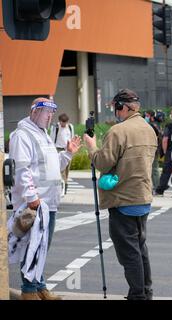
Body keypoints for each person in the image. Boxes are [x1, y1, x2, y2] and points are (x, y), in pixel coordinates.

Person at [83, 89, 157, 300]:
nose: (115, 113)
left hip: (123, 199)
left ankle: (137, 295)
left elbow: (102, 162)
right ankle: (145, 291)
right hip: (142, 197)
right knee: (140, 248)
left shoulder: (118, 131)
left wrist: (92, 147)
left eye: (116, 108)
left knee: (129, 253)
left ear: (123, 107)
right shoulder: (149, 129)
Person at [9, 98, 81, 300]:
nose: (50, 116)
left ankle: (39, 287)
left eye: (52, 112)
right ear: (34, 112)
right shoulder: (22, 135)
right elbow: (22, 169)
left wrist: (67, 154)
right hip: (34, 204)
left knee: (41, 247)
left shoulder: (43, 135)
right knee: (31, 247)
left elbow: (51, 166)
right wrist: (32, 197)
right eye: (45, 112)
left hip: (48, 203)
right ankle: (29, 291)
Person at [50, 113, 75, 195]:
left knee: (67, 170)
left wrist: (71, 149)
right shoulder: (56, 127)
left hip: (67, 150)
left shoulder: (70, 127)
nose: (63, 124)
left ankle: (65, 184)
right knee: (61, 170)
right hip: (58, 149)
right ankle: (62, 187)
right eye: (62, 122)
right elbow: (51, 139)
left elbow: (72, 138)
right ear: (59, 121)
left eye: (65, 123)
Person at [145, 110, 163, 193]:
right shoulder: (156, 125)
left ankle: (156, 187)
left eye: (147, 115)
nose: (145, 117)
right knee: (153, 169)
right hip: (155, 149)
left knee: (154, 169)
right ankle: (155, 186)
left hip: (152, 150)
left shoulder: (152, 126)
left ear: (151, 116)